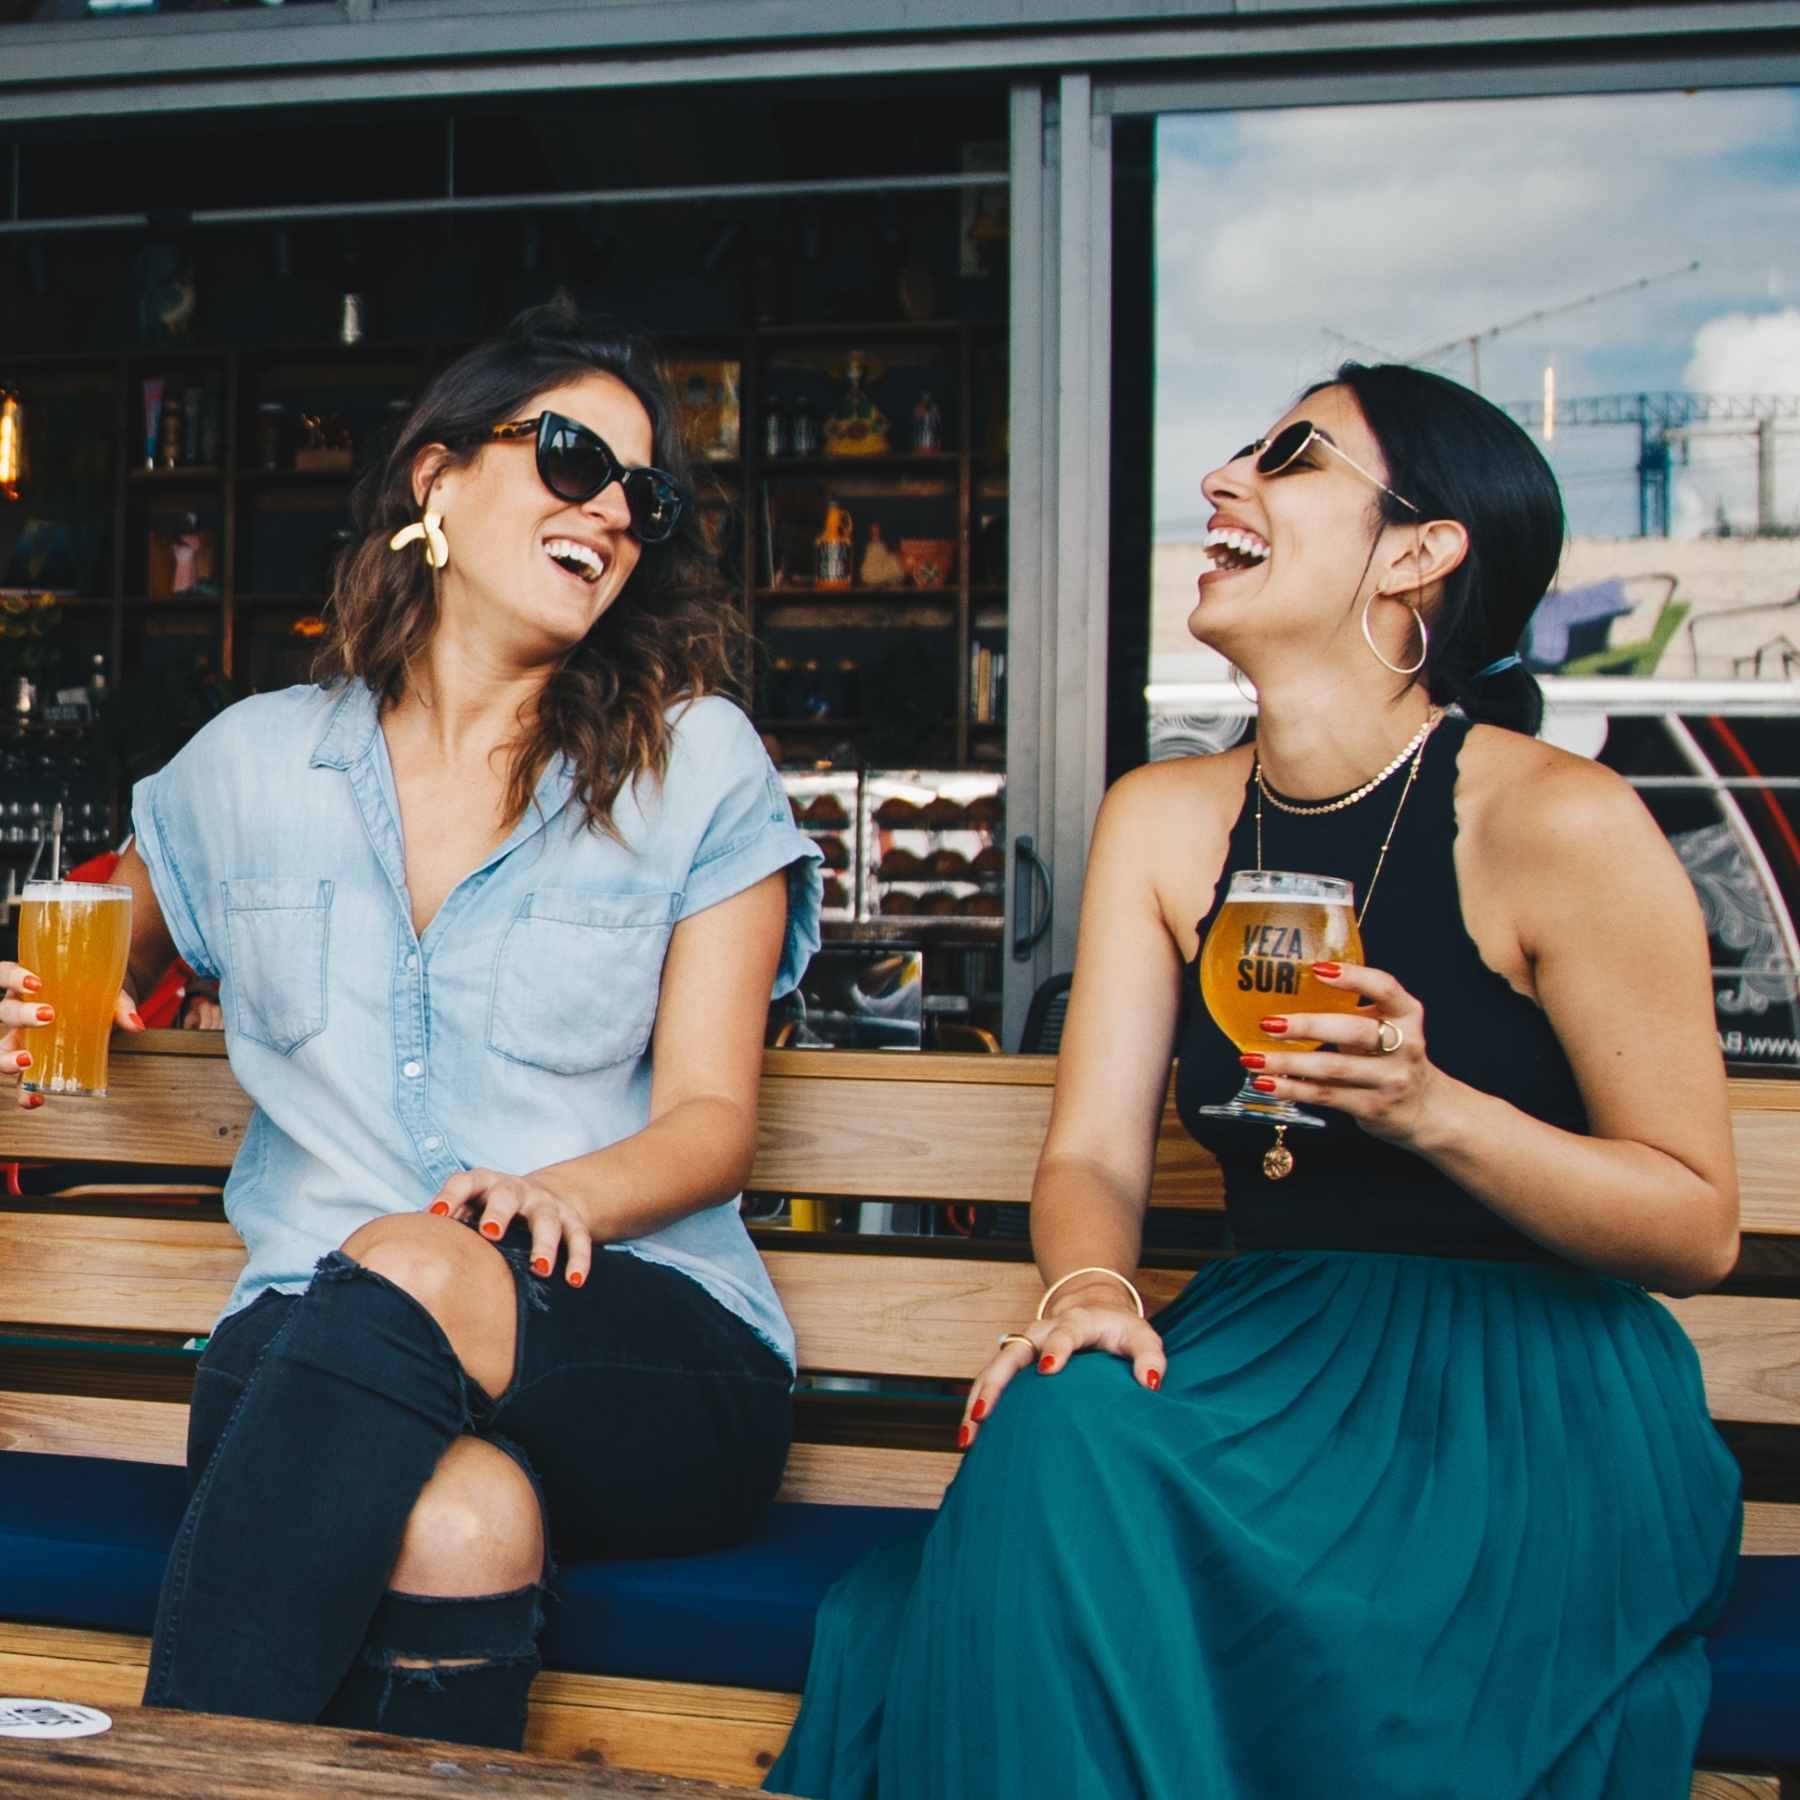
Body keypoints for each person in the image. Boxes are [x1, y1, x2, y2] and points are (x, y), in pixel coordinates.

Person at [768, 364, 1741, 1800]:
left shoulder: (1562, 824)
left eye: (1290, 456)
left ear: (1417, 553)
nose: (1226, 479)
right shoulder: (1164, 822)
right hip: (1263, 1356)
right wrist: (1088, 1291)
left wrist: (1435, 1109)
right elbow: (1094, 1155)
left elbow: (1697, 1228)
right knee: (1059, 1420)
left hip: (1522, 1407)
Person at [2, 300, 821, 1749]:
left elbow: (713, 1122)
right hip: (309, 1353)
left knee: (420, 1259)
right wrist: (32, 995)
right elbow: (90, 945)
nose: (615, 510)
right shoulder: (249, 766)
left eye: (647, 494)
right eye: (573, 457)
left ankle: (167, 1778)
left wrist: (550, 1195)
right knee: (459, 1522)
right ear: (438, 479)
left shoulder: (696, 765)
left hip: (632, 1343)